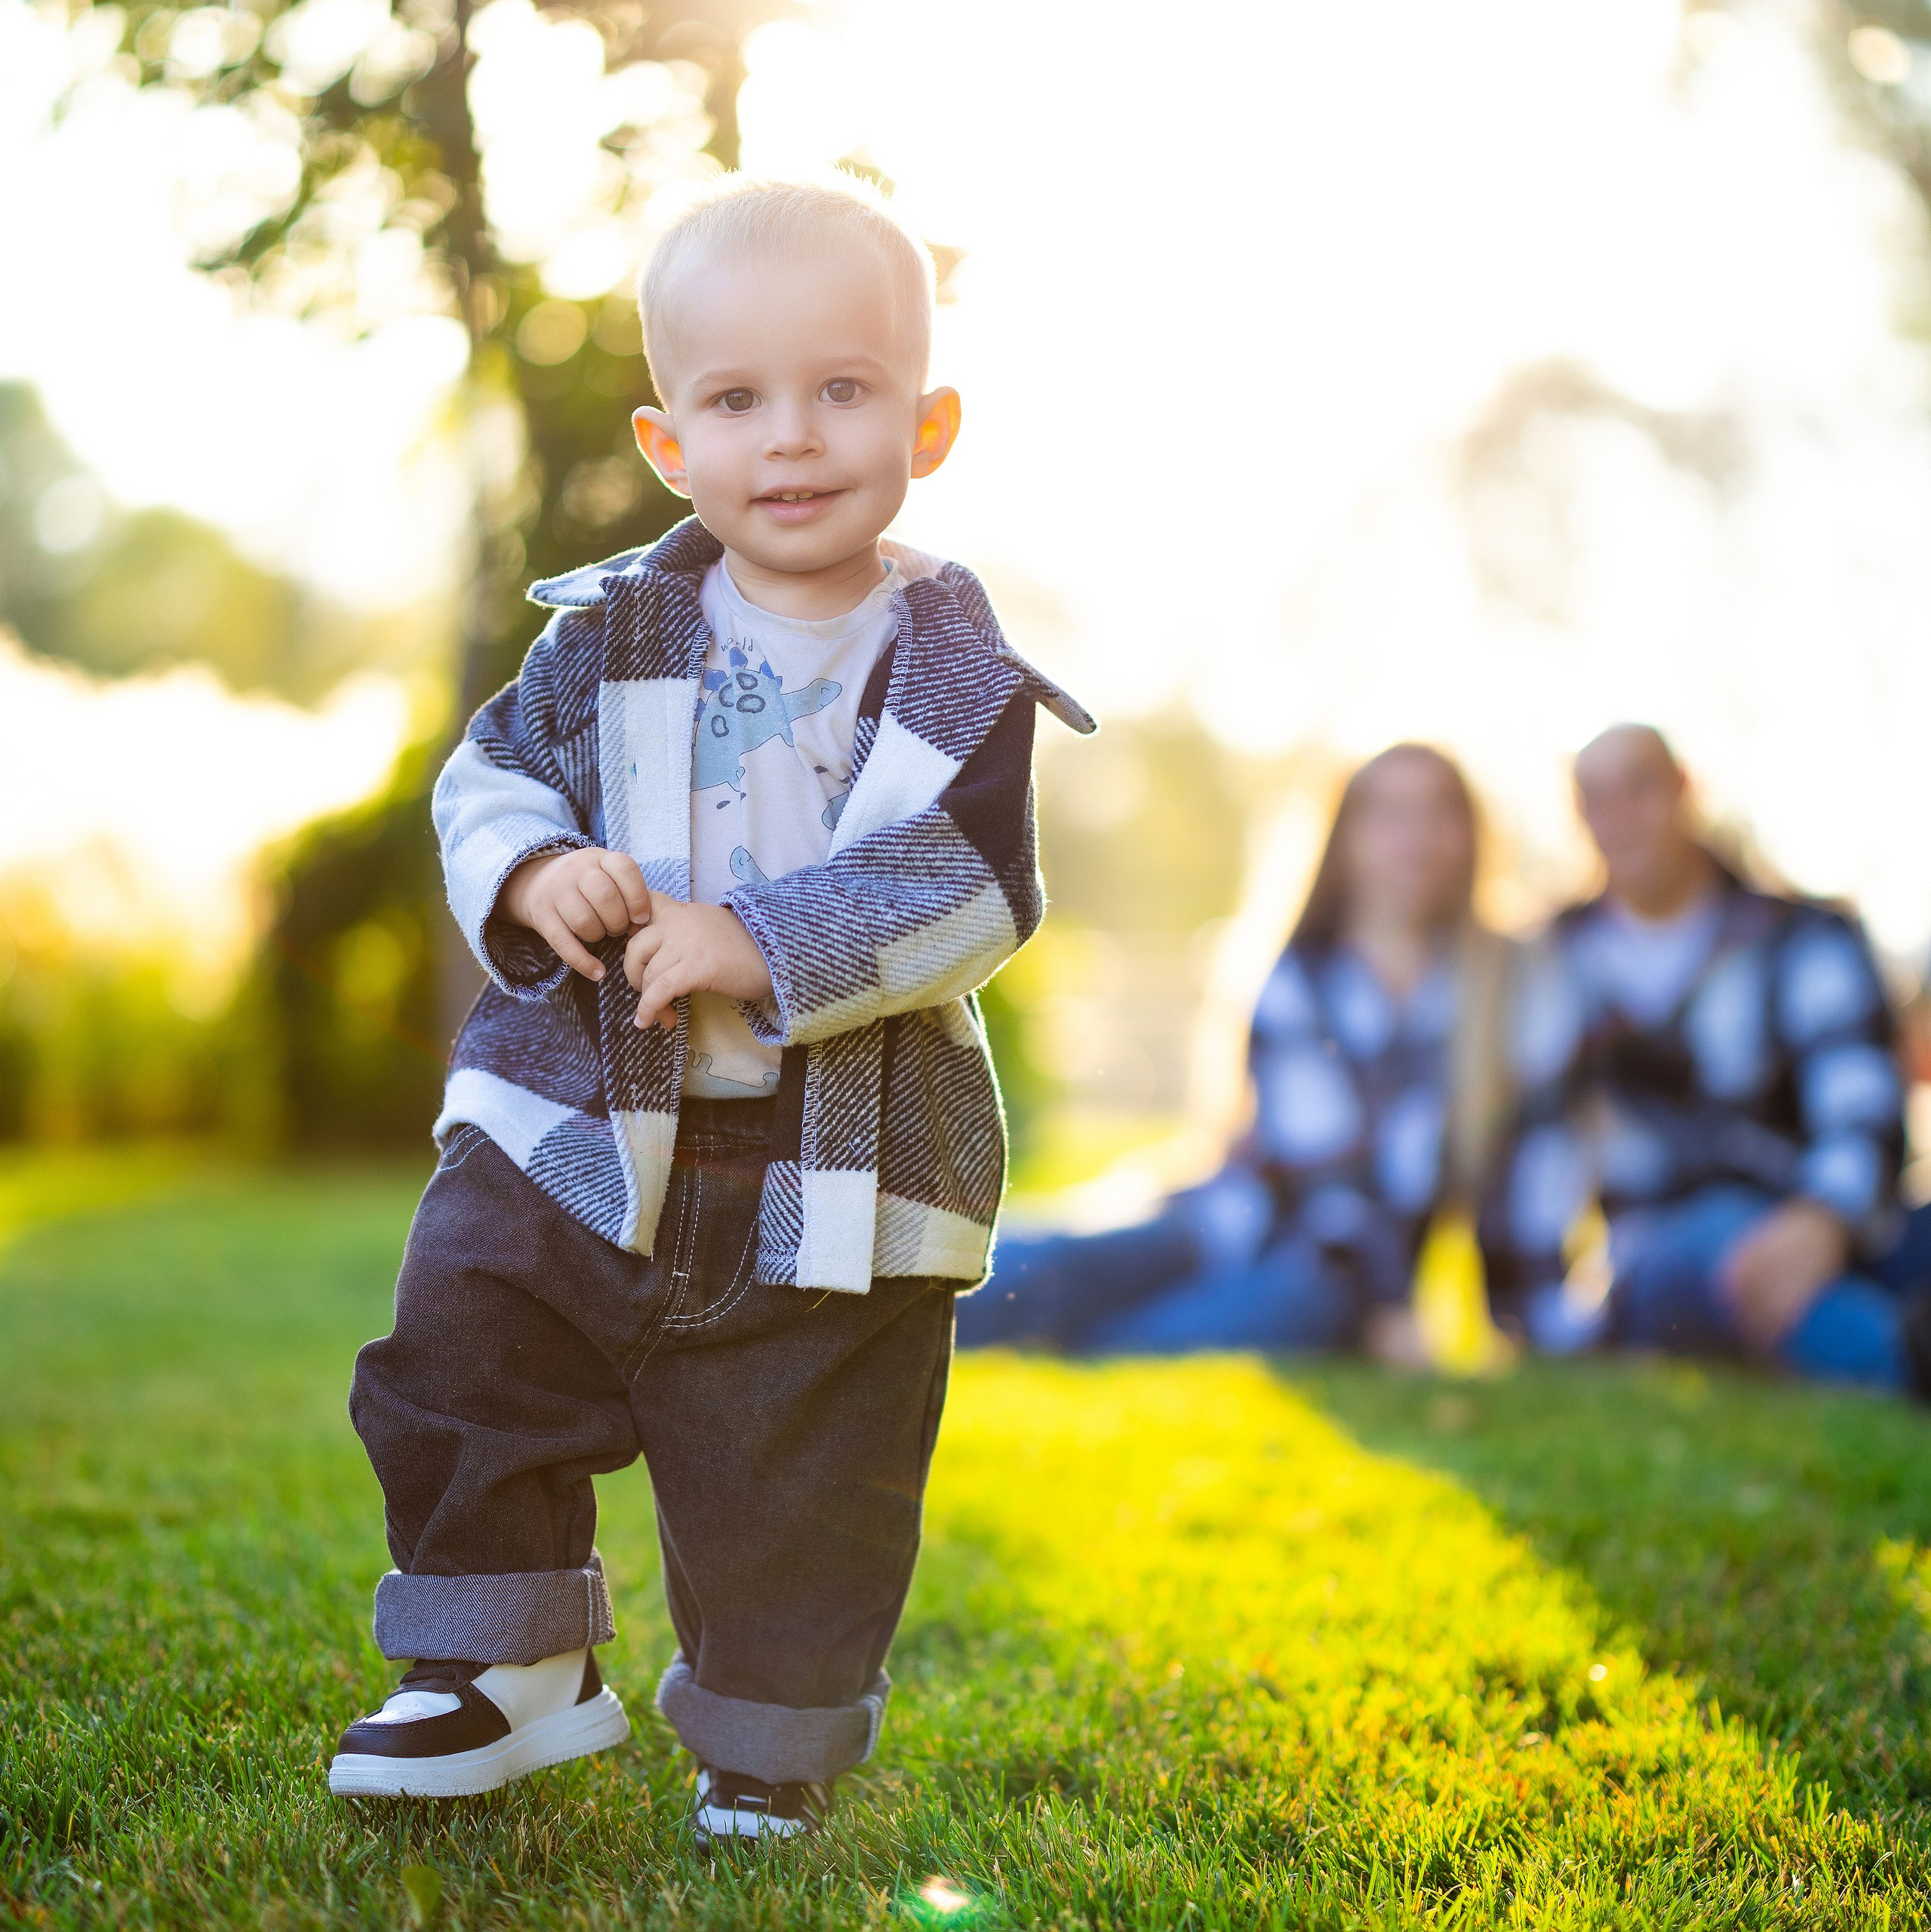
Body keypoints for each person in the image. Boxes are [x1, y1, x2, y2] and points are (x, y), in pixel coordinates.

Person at [325, 175, 1095, 1844]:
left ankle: (767, 1733)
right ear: (671, 443)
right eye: (739, 399)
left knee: (803, 1462)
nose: (794, 437)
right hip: (580, 1111)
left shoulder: (957, 668)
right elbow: (491, 774)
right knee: (469, 1335)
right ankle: (504, 1661)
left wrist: (761, 935)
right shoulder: (610, 628)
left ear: (930, 420)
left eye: (844, 388)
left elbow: (972, 885)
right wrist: (535, 874)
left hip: (834, 1153)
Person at [958, 743, 1514, 1360]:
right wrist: (1391, 1308)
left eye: (1438, 810)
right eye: (1389, 813)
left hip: (1321, 1285)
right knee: (1049, 1268)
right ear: (1345, 838)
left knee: (1141, 1344)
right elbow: (1327, 1169)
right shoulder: (1300, 978)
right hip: (1216, 1226)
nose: (1417, 836)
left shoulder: (1496, 994)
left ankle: (1061, 1343)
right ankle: (871, 1293)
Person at [1492, 724, 1911, 1386]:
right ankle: (1900, 1361)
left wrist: (1824, 1219)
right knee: (1724, 1234)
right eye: (1597, 798)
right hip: (1661, 1265)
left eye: (1641, 788)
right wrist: (1549, 1328)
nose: (1621, 817)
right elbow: (1534, 1161)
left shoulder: (1803, 940)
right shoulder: (1557, 967)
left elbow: (1864, 1105)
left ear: (1686, 791)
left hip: (1829, 1229)